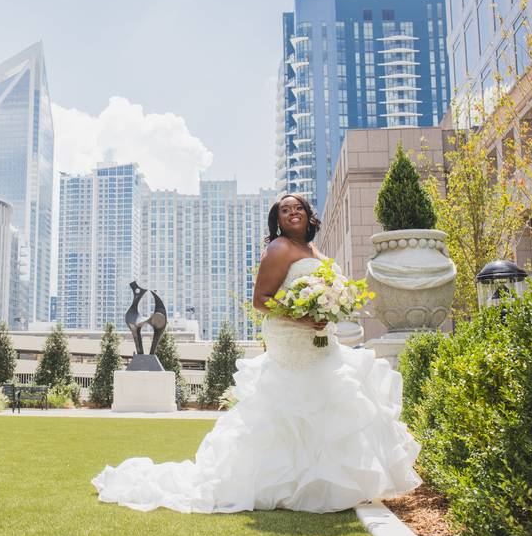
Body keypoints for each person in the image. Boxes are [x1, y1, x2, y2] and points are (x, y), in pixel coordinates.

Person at [91, 193, 421, 514]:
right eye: (284, 210)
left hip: (320, 336)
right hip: (291, 338)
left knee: (333, 398)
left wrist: (328, 310)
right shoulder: (278, 248)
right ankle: (284, 483)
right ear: (277, 221)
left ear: (308, 215)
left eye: (298, 208)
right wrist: (301, 315)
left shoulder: (312, 249)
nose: (293, 213)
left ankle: (323, 482)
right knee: (296, 401)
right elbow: (261, 300)